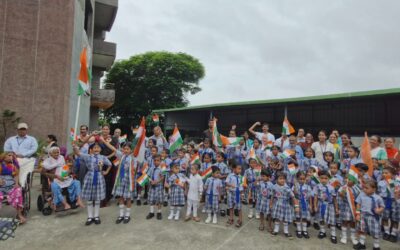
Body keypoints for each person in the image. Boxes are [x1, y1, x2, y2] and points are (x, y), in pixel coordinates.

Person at [72, 138, 113, 226]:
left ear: (101, 149)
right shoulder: (87, 156)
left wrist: (106, 172)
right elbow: (78, 153)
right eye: (94, 148)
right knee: (90, 199)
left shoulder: (103, 157)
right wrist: (75, 146)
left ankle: (96, 216)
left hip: (99, 177)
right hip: (89, 177)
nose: (96, 149)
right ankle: (90, 217)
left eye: (98, 148)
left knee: (97, 199)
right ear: (91, 149)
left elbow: (110, 164)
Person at [42, 147, 84, 211]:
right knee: (54, 186)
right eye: (54, 153)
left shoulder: (61, 158)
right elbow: (44, 173)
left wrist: (67, 172)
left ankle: (78, 200)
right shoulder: (47, 162)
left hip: (64, 178)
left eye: (57, 152)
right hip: (55, 180)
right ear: (50, 154)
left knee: (77, 182)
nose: (56, 154)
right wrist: (56, 176)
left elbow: (65, 168)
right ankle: (64, 204)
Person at [354, 180, 385, 250]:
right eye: (364, 187)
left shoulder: (378, 198)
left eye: (367, 188)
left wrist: (379, 210)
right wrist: (358, 214)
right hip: (363, 215)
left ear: (374, 189)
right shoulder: (361, 195)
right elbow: (358, 204)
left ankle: (376, 245)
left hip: (373, 217)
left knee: (375, 231)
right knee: (362, 229)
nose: (364, 189)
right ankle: (362, 243)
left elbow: (382, 206)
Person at [112, 142, 137, 224]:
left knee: (128, 198)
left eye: (127, 149)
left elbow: (135, 169)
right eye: (124, 149)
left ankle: (127, 215)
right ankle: (121, 215)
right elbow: (113, 149)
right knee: (120, 196)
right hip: (120, 179)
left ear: (131, 150)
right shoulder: (121, 156)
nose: (125, 150)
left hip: (128, 180)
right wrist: (104, 141)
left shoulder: (133, 158)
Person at [314, 170, 339, 244]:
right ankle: (322, 231)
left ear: (329, 179)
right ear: (319, 178)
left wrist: (336, 208)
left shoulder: (331, 187)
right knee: (321, 219)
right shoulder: (317, 186)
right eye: (322, 178)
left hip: (330, 205)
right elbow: (315, 197)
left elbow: (334, 199)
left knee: (332, 221)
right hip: (321, 205)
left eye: (325, 178)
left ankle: (333, 234)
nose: (324, 180)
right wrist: (315, 206)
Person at [0, 152, 25, 223]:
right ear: (4, 157)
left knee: (18, 191)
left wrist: (16, 183)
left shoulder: (13, 166)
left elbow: (16, 176)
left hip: (11, 185)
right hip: (1, 186)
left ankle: (19, 215)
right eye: (9, 155)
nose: (11, 157)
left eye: (12, 156)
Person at [270, 172, 297, 238]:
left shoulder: (287, 188)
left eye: (284, 179)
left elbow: (293, 197)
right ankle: (276, 230)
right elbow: (272, 196)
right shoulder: (274, 187)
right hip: (277, 204)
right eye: (280, 178)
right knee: (277, 218)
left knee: (285, 219)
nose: (282, 180)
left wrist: (296, 206)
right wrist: (271, 203)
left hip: (286, 205)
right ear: (276, 179)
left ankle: (286, 231)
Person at [338, 174, 360, 246]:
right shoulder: (343, 187)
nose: (347, 180)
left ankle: (353, 237)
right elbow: (341, 195)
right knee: (345, 221)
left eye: (349, 179)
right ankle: (344, 236)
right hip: (346, 207)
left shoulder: (356, 188)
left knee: (353, 223)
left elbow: (359, 199)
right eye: (346, 178)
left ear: (354, 181)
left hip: (354, 208)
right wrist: (344, 190)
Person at [378, 167, 398, 242]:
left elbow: (395, 191)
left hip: (394, 201)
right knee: (385, 217)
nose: (384, 174)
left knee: (394, 218)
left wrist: (390, 182)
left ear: (392, 174)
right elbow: (379, 192)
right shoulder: (380, 182)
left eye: (386, 173)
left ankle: (393, 233)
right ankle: (386, 232)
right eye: (383, 173)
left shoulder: (396, 182)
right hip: (384, 201)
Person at [292, 171, 312, 239]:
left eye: (303, 179)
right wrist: (294, 185)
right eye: (300, 179)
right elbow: (294, 194)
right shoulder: (295, 185)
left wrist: (310, 205)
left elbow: (309, 197)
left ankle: (304, 230)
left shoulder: (308, 187)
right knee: (297, 217)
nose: (302, 180)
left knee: (304, 217)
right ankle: (299, 230)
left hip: (305, 204)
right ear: (297, 179)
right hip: (297, 203)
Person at [146, 154, 164, 220]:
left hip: (158, 186)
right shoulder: (151, 168)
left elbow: (162, 177)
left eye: (158, 160)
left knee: (159, 200)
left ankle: (159, 212)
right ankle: (151, 212)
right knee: (151, 200)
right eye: (155, 160)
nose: (156, 162)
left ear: (160, 161)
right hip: (152, 186)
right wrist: (150, 180)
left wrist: (156, 181)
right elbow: (148, 176)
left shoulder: (161, 169)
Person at [225, 163, 244, 227]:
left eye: (241, 169)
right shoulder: (230, 175)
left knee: (239, 207)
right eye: (238, 169)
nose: (240, 170)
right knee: (231, 206)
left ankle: (240, 220)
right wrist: (230, 185)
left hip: (237, 193)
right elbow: (226, 182)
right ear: (234, 169)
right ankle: (231, 218)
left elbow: (241, 186)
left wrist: (242, 194)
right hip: (230, 193)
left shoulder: (241, 177)